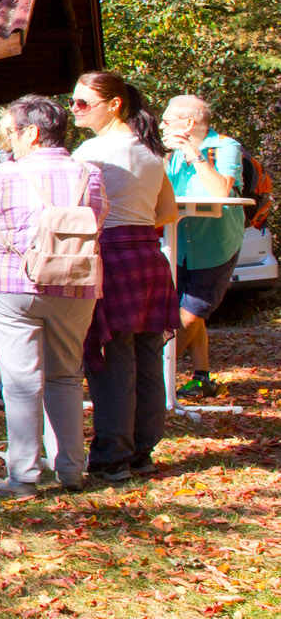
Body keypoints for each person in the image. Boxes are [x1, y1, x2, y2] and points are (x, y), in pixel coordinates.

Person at [0, 95, 107, 499]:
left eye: (12, 131)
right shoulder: (88, 173)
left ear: (32, 133)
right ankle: (71, 470)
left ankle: (23, 476)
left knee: (21, 381)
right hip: (75, 283)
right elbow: (100, 219)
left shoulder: (7, 174)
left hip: (12, 282)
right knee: (65, 376)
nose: (9, 139)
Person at [71, 73, 179, 484]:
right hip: (148, 257)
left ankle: (112, 456)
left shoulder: (92, 151)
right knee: (148, 359)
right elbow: (167, 212)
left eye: (83, 103)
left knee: (112, 358)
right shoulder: (151, 151)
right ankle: (142, 451)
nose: (75, 110)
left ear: (114, 104)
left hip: (111, 254)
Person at [162, 94, 244, 398]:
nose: (162, 125)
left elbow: (221, 191)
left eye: (167, 121)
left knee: (190, 314)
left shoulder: (225, 146)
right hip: (179, 242)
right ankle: (202, 376)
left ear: (188, 123)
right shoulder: (169, 153)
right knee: (185, 309)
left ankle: (159, 379)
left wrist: (191, 151)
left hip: (215, 245)